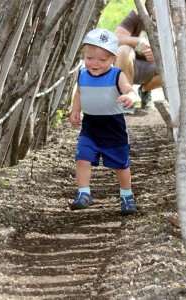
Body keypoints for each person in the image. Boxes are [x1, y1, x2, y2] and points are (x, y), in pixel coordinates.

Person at [69, 28, 139, 215]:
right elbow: (79, 92)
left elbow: (129, 89)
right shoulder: (82, 74)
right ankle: (84, 193)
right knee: (82, 158)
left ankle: (126, 195)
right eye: (90, 58)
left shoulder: (116, 75)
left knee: (120, 165)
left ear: (113, 59)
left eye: (102, 60)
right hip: (90, 127)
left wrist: (130, 97)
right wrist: (75, 110)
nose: (95, 63)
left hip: (113, 128)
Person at [114, 7, 161, 112]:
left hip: (153, 67)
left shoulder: (175, 19)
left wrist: (158, 54)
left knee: (176, 67)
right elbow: (116, 37)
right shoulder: (138, 13)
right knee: (123, 50)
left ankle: (145, 91)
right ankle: (126, 97)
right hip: (129, 65)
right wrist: (139, 41)